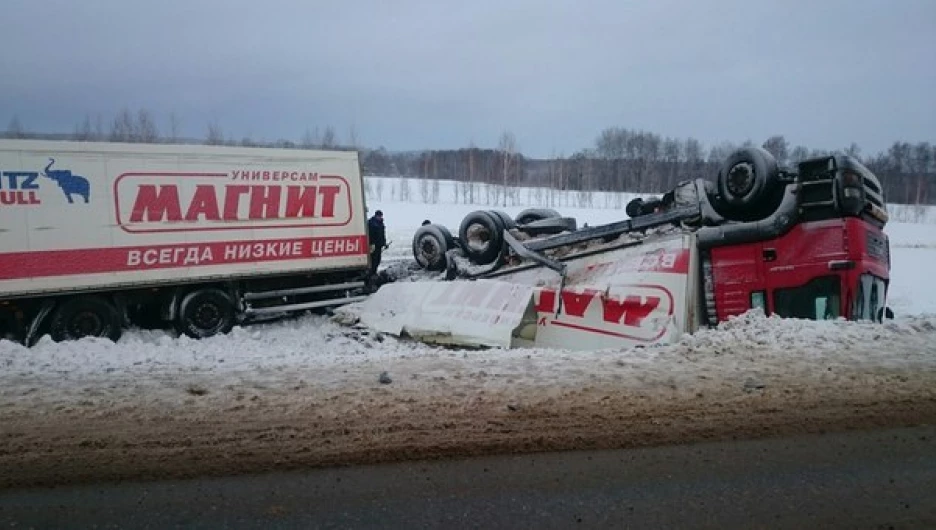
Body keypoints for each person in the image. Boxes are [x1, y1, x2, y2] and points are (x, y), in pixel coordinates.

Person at [368, 210, 387, 276]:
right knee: (373, 260)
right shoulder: (371, 223)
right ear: (376, 216)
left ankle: (374, 271)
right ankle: (371, 273)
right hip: (373, 245)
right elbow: (370, 235)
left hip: (379, 245)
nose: (380, 217)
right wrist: (371, 243)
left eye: (381, 216)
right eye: (379, 216)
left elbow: (382, 234)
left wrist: (384, 243)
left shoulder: (381, 223)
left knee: (378, 259)